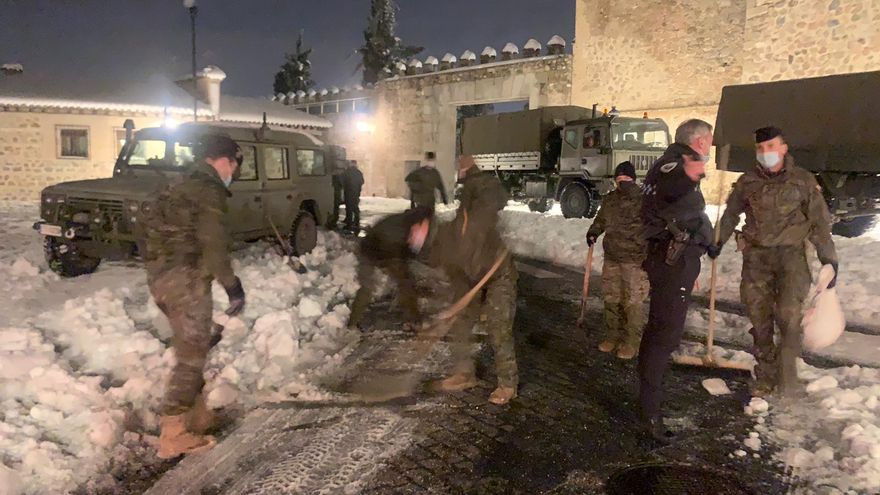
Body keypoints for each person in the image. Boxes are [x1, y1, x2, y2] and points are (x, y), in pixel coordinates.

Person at [709, 126, 838, 398]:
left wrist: (830, 261)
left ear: (783, 148)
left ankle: (788, 374)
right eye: (761, 148)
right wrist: (716, 240)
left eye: (771, 147)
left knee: (790, 316)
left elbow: (819, 224)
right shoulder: (747, 182)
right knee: (760, 316)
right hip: (757, 258)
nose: (766, 153)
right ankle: (766, 375)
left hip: (792, 257)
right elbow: (731, 215)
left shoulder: (803, 181)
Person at [142, 134, 245, 459]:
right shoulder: (208, 189)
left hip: (161, 278)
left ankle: (197, 417)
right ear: (226, 160)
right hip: (185, 281)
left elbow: (142, 229)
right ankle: (173, 433)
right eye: (235, 165)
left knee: (193, 346)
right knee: (191, 356)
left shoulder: (176, 185)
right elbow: (213, 243)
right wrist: (232, 286)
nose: (234, 172)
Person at [638, 119, 714, 444]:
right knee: (662, 338)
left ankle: (648, 407)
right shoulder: (676, 164)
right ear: (698, 141)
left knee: (659, 334)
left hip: (676, 262)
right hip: (672, 261)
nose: (710, 146)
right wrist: (688, 174)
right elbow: (671, 188)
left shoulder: (672, 163)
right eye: (709, 140)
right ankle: (649, 416)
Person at [428, 155, 518, 405]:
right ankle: (464, 373)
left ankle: (507, 384)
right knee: (461, 323)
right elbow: (457, 281)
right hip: (473, 275)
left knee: (499, 328)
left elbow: (497, 198)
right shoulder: (447, 246)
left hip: (497, 273)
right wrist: (458, 304)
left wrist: (474, 175)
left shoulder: (480, 205)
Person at [585, 161, 648, 360]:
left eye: (625, 178)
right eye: (619, 178)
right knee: (611, 298)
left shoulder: (644, 199)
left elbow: (655, 225)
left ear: (633, 179)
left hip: (635, 260)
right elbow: (601, 220)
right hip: (612, 257)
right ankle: (612, 336)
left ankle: (631, 342)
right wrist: (593, 232)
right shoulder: (610, 199)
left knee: (632, 301)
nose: (622, 181)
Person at [347, 207, 433, 330]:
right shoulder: (397, 227)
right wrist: (400, 264)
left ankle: (414, 318)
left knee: (406, 283)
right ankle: (352, 323)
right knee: (368, 287)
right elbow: (394, 252)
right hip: (369, 252)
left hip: (387, 250)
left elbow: (413, 246)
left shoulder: (412, 224)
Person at [343, 160, 364, 233]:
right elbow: (362, 181)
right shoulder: (359, 172)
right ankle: (356, 222)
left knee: (349, 209)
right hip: (356, 193)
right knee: (355, 208)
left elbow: (343, 181)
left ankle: (349, 224)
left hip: (348, 192)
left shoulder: (347, 172)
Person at [329, 159, 347, 230]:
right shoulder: (339, 175)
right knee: (335, 207)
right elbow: (342, 185)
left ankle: (334, 221)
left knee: (335, 207)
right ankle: (334, 221)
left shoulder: (334, 176)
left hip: (335, 193)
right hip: (336, 193)